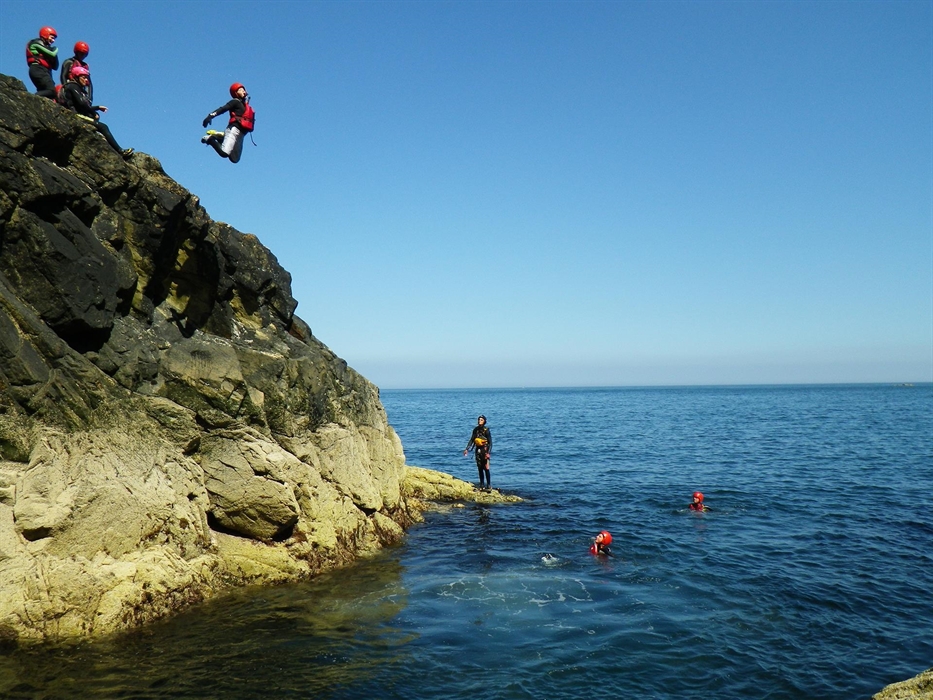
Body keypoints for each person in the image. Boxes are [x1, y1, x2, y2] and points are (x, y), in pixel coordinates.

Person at [60, 66, 133, 159]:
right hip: (75, 115)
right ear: (76, 77)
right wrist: (94, 113)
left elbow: (80, 105)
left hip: (77, 113)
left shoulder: (74, 87)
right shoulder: (73, 86)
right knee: (103, 127)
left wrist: (97, 108)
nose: (86, 80)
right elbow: (82, 103)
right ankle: (120, 151)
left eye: (86, 77)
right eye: (83, 77)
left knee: (99, 127)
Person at [201, 82, 255, 163]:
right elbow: (223, 109)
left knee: (234, 159)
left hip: (241, 134)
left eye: (244, 89)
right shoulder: (235, 102)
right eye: (240, 90)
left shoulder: (246, 106)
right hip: (234, 129)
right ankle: (210, 139)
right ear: (236, 93)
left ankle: (221, 137)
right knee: (224, 153)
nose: (243, 91)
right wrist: (210, 116)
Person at [25, 26, 59, 99]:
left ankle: (34, 102)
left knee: (49, 95)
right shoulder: (35, 43)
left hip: (45, 71)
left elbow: (55, 66)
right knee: (52, 91)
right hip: (37, 69)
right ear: (45, 35)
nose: (53, 41)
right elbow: (52, 54)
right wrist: (56, 49)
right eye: (52, 37)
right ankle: (29, 98)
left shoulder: (47, 47)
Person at [463, 414, 492, 489]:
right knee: (480, 468)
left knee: (486, 468)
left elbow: (490, 442)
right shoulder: (475, 430)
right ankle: (482, 484)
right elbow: (472, 440)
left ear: (484, 421)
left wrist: (488, 453)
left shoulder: (486, 430)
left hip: (485, 450)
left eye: (481, 420)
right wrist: (467, 449)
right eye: (479, 420)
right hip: (478, 450)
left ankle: (488, 485)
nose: (479, 421)